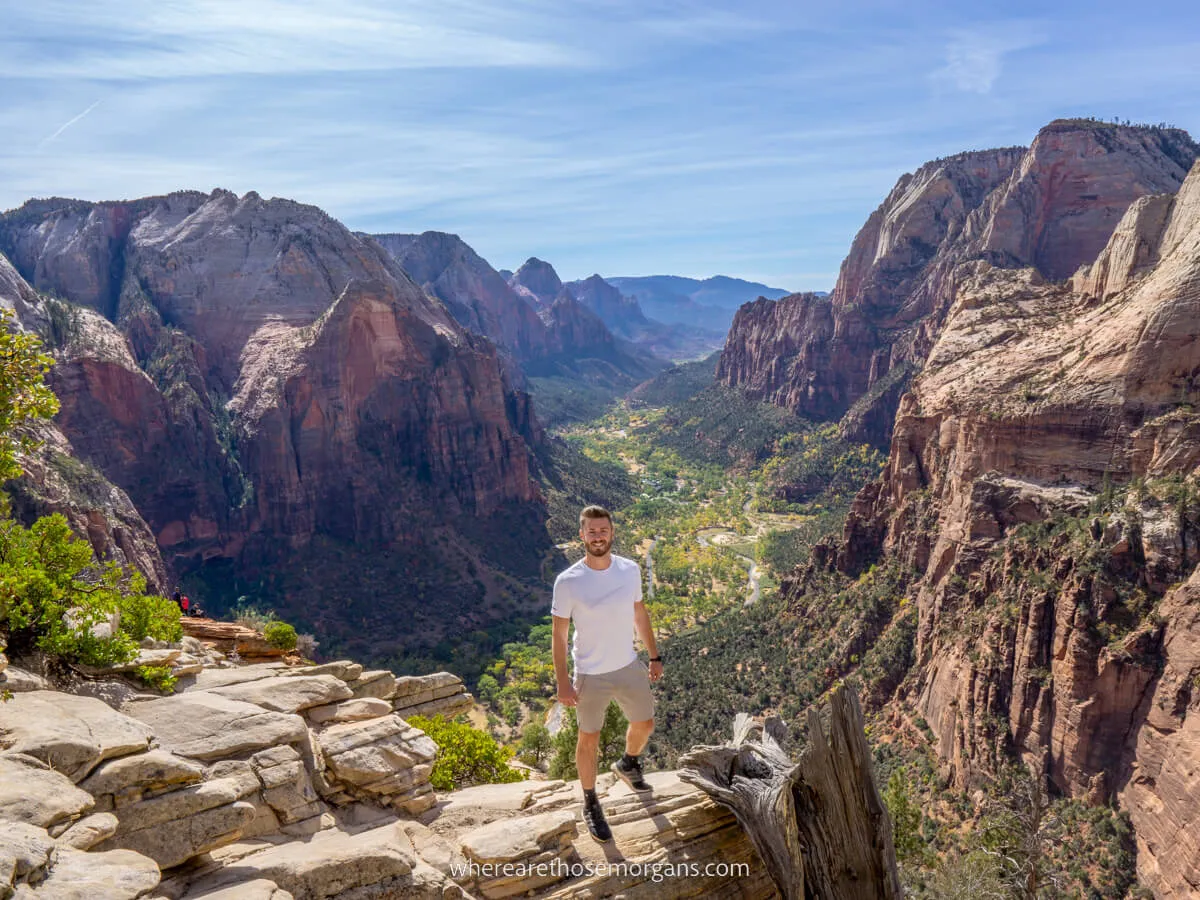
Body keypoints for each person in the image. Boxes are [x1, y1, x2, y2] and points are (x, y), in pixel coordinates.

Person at [552, 504, 663, 843]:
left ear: (611, 533)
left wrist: (654, 655)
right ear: (581, 535)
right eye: (591, 531)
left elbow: (639, 613)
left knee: (645, 723)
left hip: (628, 663)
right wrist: (562, 682)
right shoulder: (568, 581)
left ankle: (628, 763)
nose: (598, 536)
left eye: (603, 530)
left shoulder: (629, 570)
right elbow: (557, 636)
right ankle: (590, 800)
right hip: (590, 673)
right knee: (589, 739)